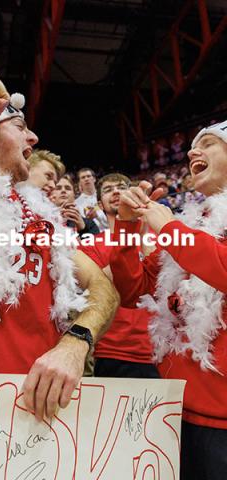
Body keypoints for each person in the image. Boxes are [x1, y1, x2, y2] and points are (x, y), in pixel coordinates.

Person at [0, 59, 119, 421]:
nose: (34, 138)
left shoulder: (43, 217)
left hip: (43, 408)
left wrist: (77, 342)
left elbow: (103, 290)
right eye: (20, 126)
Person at [110, 120, 227, 480]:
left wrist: (172, 231)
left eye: (207, 144)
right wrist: (127, 225)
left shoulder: (182, 231)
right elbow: (133, 288)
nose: (193, 151)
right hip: (173, 405)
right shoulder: (197, 221)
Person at [81, 173, 159, 378]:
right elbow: (100, 284)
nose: (116, 191)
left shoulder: (159, 238)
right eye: (108, 190)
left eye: (122, 187)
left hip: (162, 350)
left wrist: (143, 234)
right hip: (114, 352)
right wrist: (131, 233)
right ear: (99, 204)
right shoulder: (90, 245)